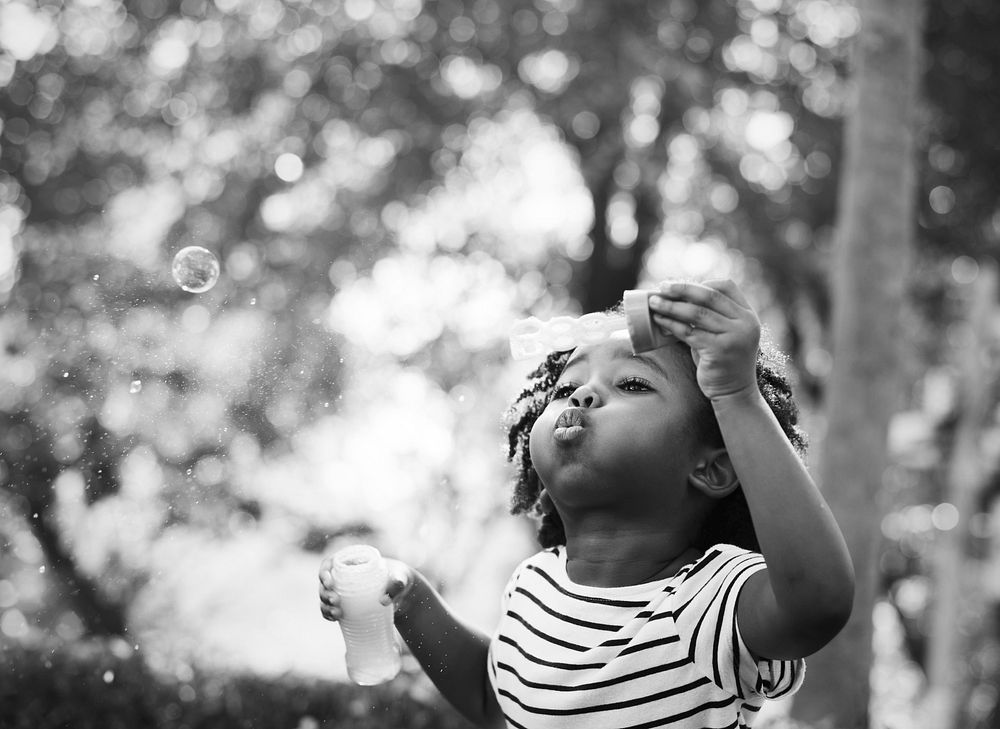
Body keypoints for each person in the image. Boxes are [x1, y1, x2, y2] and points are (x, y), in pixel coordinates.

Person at [319, 279, 855, 729]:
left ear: (712, 467)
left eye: (631, 383)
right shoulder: (534, 584)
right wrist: (409, 597)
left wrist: (737, 396)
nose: (581, 395)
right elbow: (497, 698)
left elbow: (818, 601)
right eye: (566, 387)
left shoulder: (709, 602)